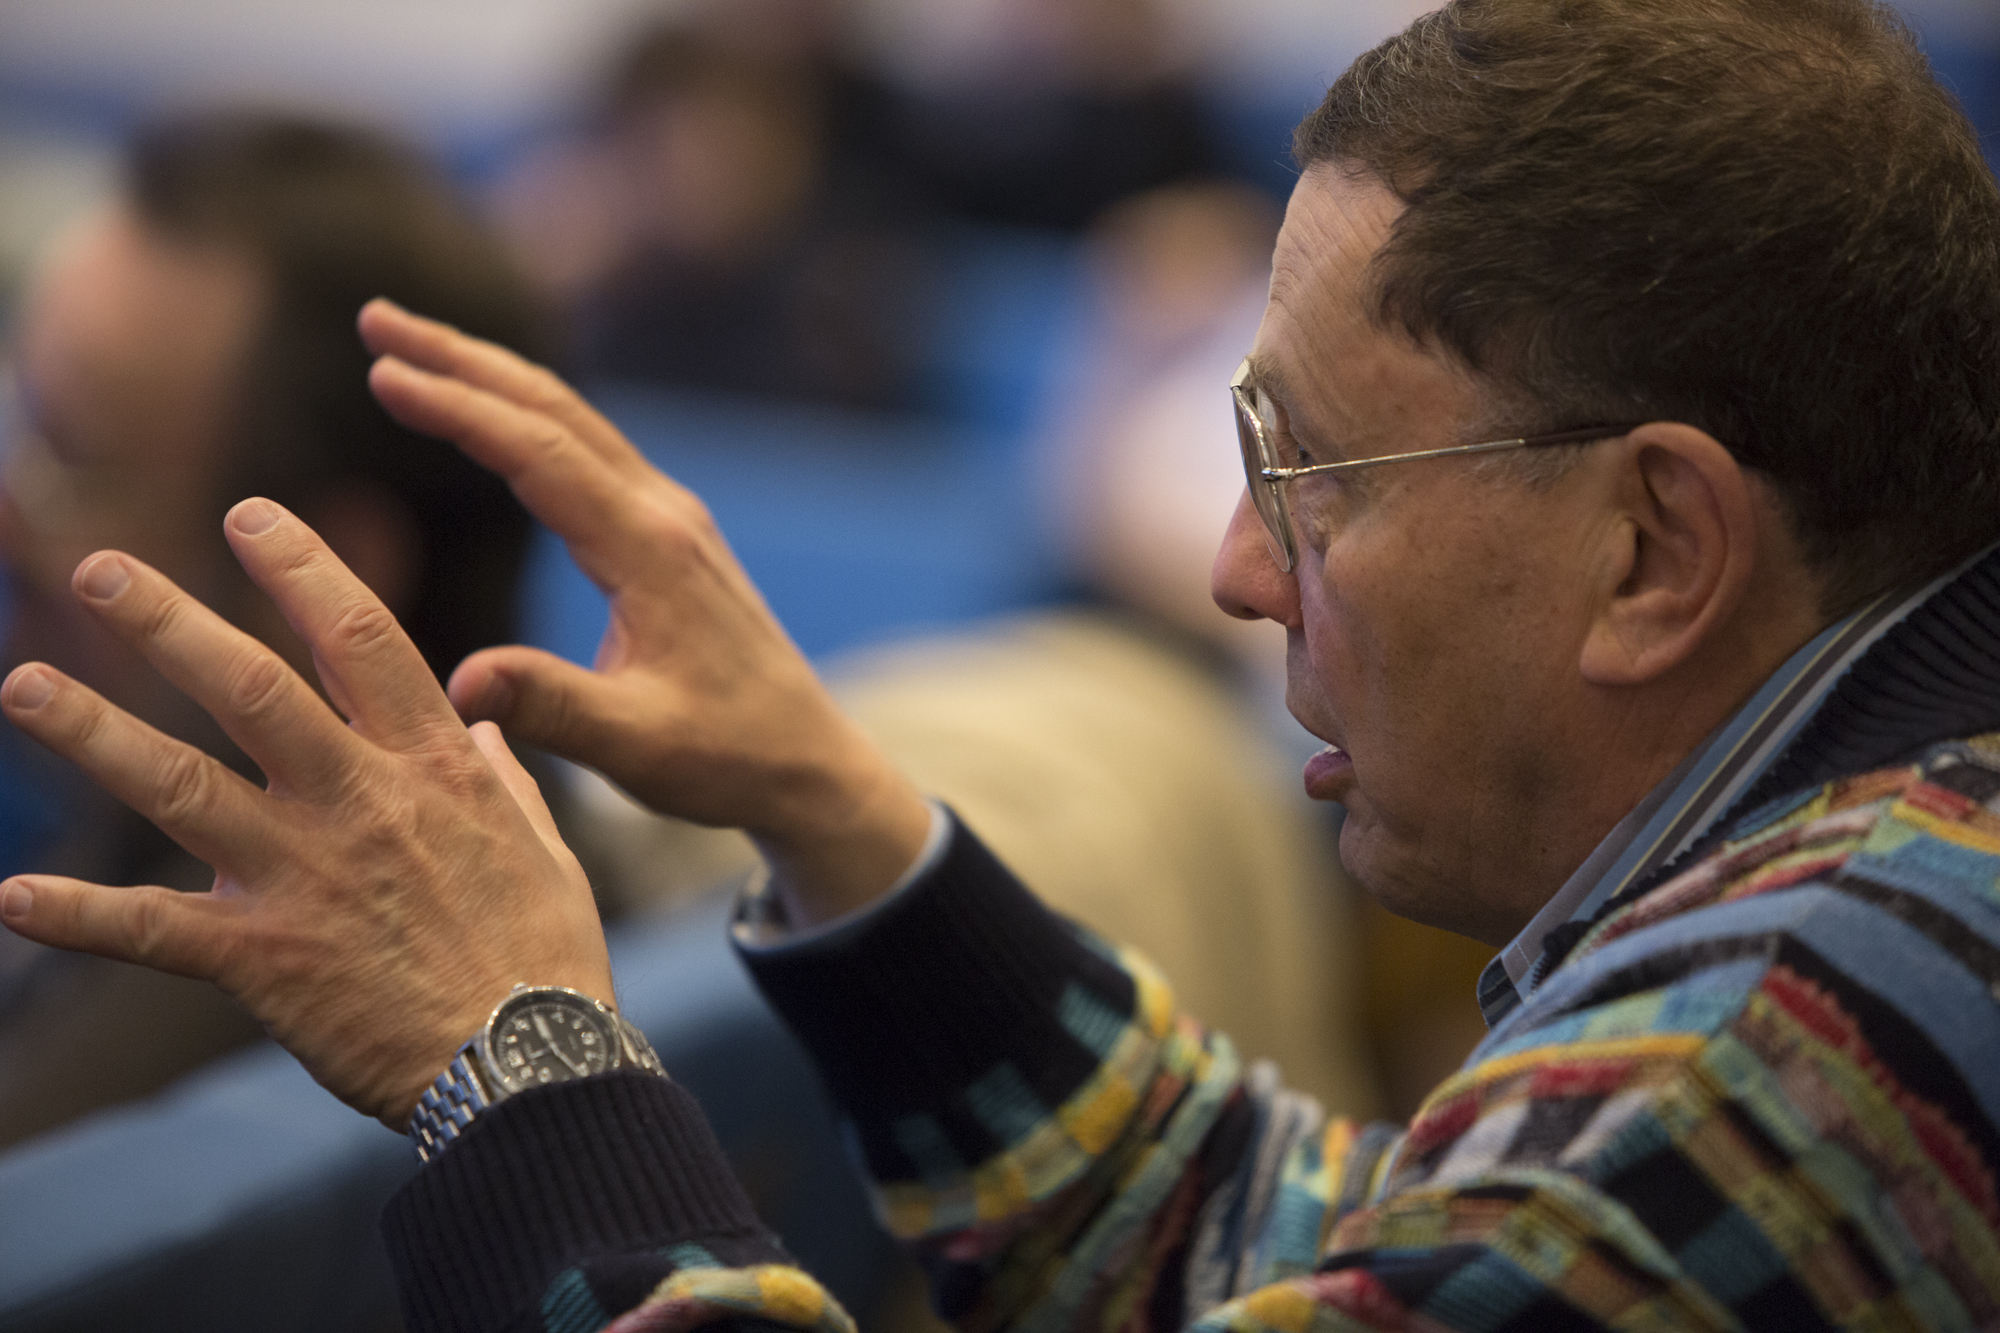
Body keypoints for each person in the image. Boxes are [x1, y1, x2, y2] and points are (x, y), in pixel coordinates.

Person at [5, 2, 2000, 1332]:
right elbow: (1339, 1259)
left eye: (1308, 471)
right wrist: (843, 819)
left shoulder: (1772, 1053)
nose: (1232, 566)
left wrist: (519, 1064)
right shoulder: (1884, 875)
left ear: (1652, 546)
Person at [0, 110, 555, 1146]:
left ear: (317, 583)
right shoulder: (556, 863)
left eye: (72, 462)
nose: (10, 520)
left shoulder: (170, 1053)